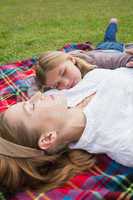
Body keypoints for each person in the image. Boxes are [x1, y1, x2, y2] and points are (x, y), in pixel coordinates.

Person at [1, 66, 133, 192]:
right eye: (31, 106)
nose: (37, 96)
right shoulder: (122, 143)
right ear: (48, 138)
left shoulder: (60, 95)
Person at [34, 48, 133, 90]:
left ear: (71, 60)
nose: (66, 83)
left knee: (110, 41)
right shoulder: (50, 81)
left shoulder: (95, 60)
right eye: (57, 84)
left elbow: (122, 59)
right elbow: (34, 88)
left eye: (64, 72)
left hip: (109, 50)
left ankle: (112, 23)